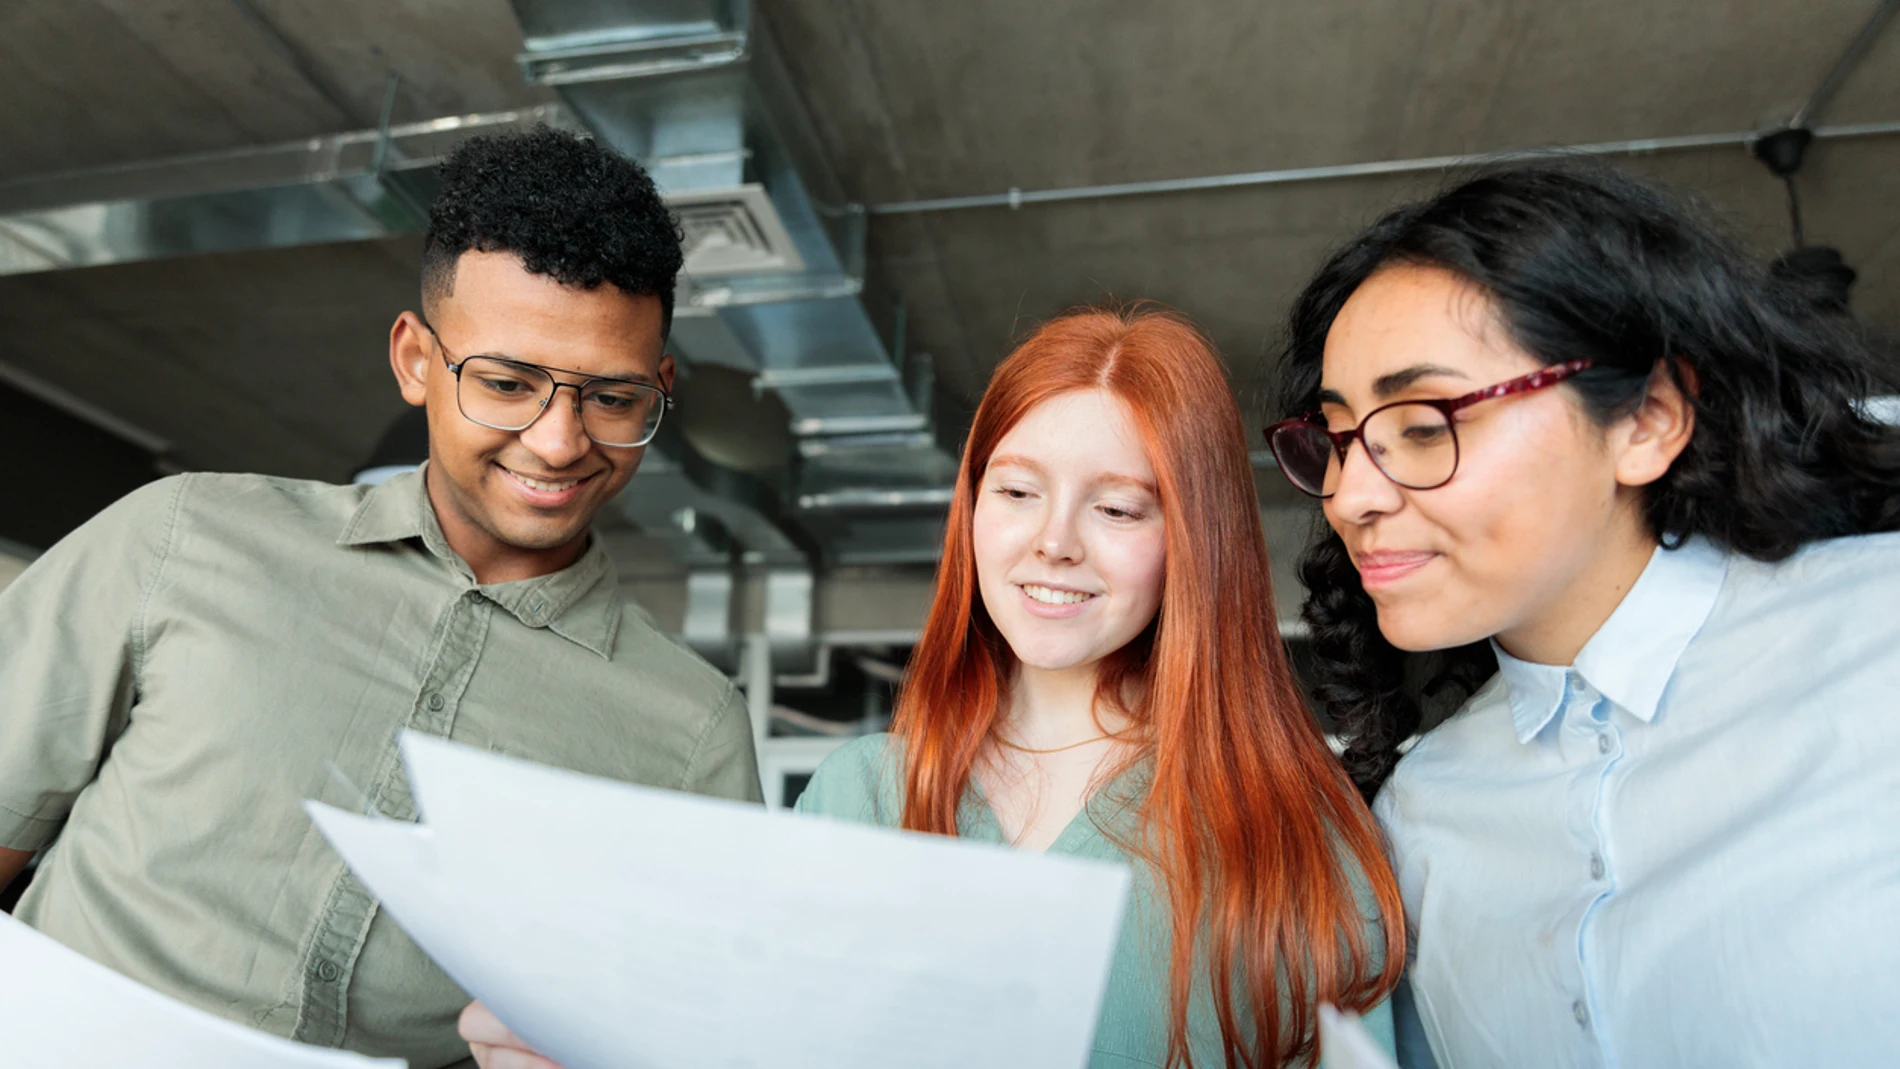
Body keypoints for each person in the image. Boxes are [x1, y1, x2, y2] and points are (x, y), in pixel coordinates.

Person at [462, 306, 1401, 1069]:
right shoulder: (859, 793)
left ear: (1194, 540)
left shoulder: (1300, 839)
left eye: (1117, 507)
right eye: (1017, 490)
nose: (1054, 541)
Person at [0, 127, 760, 1067]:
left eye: (611, 398)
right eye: (508, 382)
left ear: (660, 387)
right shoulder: (183, 537)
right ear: (414, 359)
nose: (559, 442)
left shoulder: (692, 734)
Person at [1266, 163, 1900, 1068]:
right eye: (1336, 437)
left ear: (1647, 417)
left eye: (1423, 421)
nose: (1349, 493)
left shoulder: (1880, 637)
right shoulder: (1421, 816)